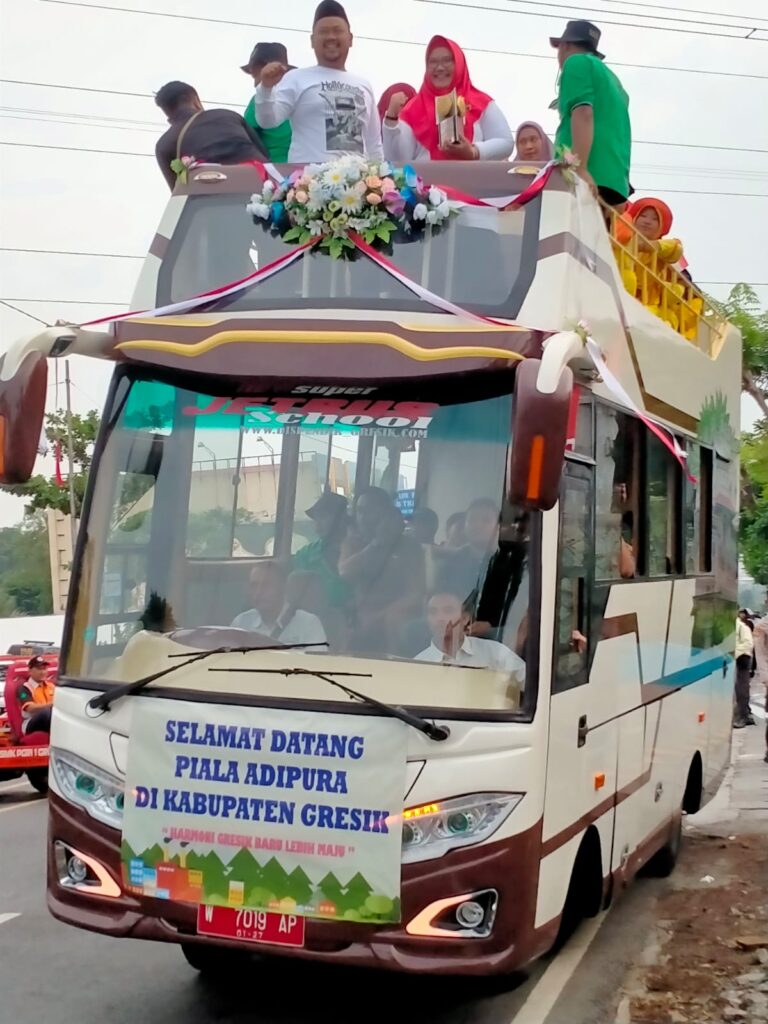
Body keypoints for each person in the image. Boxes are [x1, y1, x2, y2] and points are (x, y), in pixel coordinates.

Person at [254, 1, 382, 164]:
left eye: (337, 31)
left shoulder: (363, 85)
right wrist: (266, 88)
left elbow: (374, 144)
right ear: (312, 41)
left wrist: (380, 176)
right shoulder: (296, 78)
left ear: (350, 39)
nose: (331, 37)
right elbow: (268, 121)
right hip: (308, 178)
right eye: (323, 32)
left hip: (358, 178)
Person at [383, 36, 513, 162]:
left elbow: (506, 142)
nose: (439, 68)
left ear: (459, 63)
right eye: (433, 62)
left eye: (447, 60)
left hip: (472, 177)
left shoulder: (481, 102)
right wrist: (391, 119)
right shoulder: (413, 109)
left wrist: (473, 152)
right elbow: (397, 161)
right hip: (428, 177)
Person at [550, 20, 631, 211]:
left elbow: (583, 112)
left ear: (565, 45)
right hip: (613, 182)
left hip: (582, 176)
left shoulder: (576, 62)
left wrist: (580, 167)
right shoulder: (614, 82)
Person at [339, 488, 425, 654]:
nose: (363, 517)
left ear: (386, 513)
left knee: (395, 620)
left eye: (369, 510)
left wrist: (384, 614)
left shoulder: (409, 546)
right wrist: (376, 544)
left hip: (398, 612)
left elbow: (416, 593)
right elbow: (344, 572)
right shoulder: (353, 543)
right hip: (360, 612)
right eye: (360, 511)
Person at [154, 81, 267, 191]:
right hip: (261, 184)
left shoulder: (164, 145)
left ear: (167, 114)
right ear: (196, 101)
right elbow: (264, 153)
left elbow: (178, 192)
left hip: (210, 198)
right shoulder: (228, 115)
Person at [614, 197, 694, 333]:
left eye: (655, 219)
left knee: (663, 319)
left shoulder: (664, 248)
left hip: (649, 306)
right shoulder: (622, 237)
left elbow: (676, 248)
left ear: (661, 226)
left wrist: (651, 246)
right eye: (643, 216)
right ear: (635, 218)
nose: (647, 221)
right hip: (620, 295)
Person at [415, 589, 526, 681]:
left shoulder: (494, 653)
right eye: (433, 612)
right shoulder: (418, 665)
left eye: (448, 611)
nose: (440, 618)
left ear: (465, 619)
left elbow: (528, 683)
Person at [231, 561, 327, 647]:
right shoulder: (241, 623)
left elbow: (317, 660)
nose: (258, 592)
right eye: (254, 585)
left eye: (266, 585)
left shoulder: (308, 624)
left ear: (283, 587)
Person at [291, 490, 351, 608]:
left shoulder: (360, 552)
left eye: (324, 517)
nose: (318, 525)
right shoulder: (306, 555)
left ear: (342, 519)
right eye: (316, 519)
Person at [241, 42, 295, 162]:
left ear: (271, 71)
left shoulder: (257, 102)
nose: (254, 83)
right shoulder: (300, 98)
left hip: (271, 169)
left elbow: (245, 138)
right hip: (304, 169)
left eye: (256, 76)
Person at [18, 656, 55, 734]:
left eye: (44, 669)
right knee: (46, 713)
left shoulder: (51, 686)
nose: (42, 672)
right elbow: (30, 708)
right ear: (30, 671)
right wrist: (51, 705)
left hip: (50, 718)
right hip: (31, 722)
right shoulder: (24, 688)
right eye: (39, 669)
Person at [734, 609, 756, 728]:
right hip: (736, 659)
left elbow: (748, 644)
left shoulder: (742, 627)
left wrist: (734, 653)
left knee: (741, 689)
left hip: (742, 659)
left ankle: (742, 717)